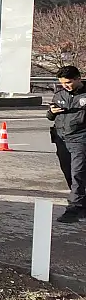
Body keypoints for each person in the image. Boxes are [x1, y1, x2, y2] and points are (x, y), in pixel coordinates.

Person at [48, 65, 86, 223]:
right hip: (62, 139)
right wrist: (51, 112)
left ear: (78, 78)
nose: (65, 85)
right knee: (68, 172)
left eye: (69, 82)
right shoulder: (59, 94)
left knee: (78, 172)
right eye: (62, 83)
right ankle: (82, 202)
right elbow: (50, 116)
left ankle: (74, 208)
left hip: (80, 138)